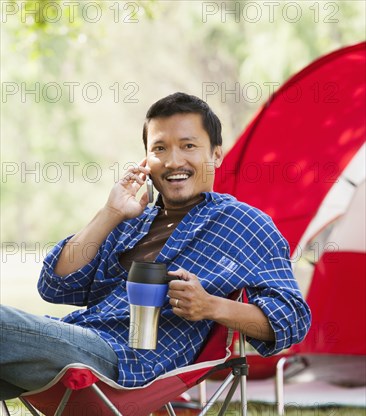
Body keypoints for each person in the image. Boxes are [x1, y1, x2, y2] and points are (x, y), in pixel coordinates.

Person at [0, 92, 311, 400]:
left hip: (126, 364)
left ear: (216, 154)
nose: (174, 160)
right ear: (146, 161)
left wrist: (210, 306)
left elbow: (293, 320)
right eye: (160, 148)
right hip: (76, 343)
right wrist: (110, 213)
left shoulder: (244, 224)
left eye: (188, 146)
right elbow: (54, 285)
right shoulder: (131, 220)